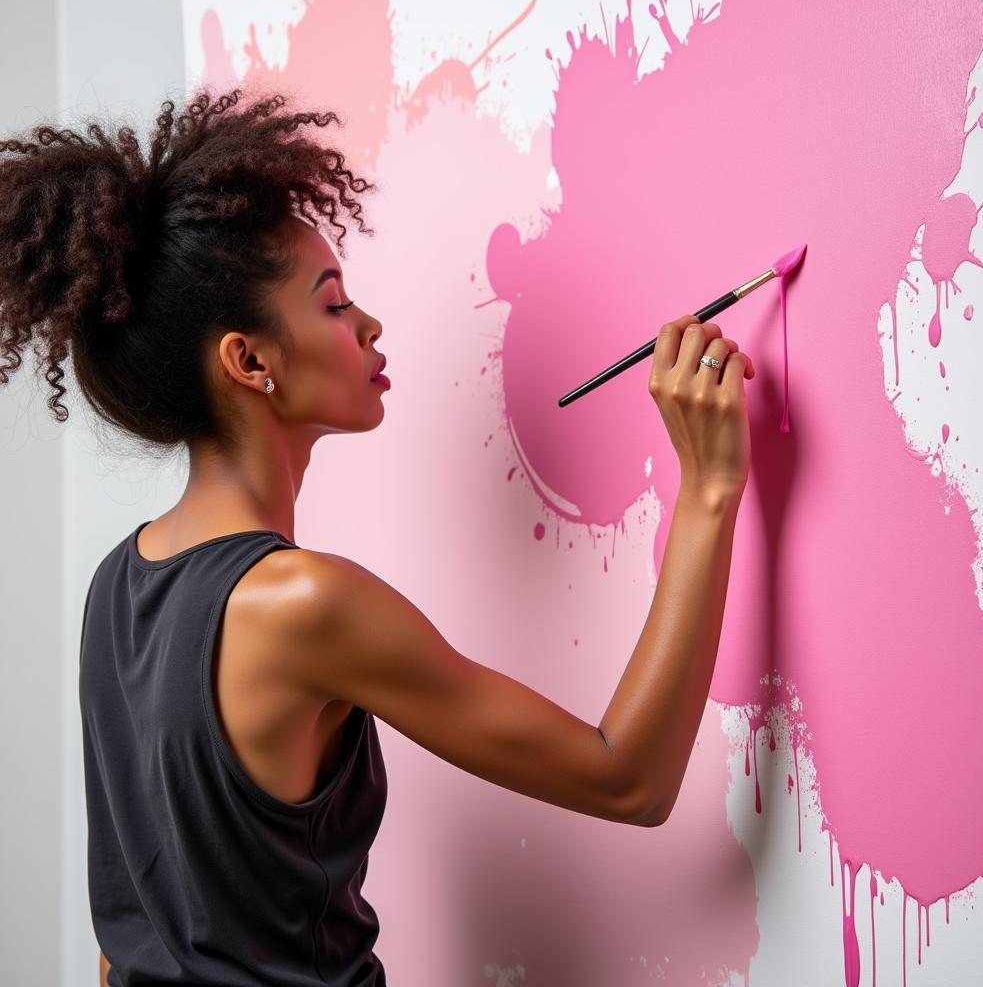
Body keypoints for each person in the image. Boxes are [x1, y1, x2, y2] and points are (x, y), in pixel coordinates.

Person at [0, 85, 755, 986]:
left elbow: (129, 927)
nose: (368, 325)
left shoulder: (116, 583)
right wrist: (709, 489)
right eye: (331, 304)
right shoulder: (301, 604)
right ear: (250, 362)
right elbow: (627, 779)